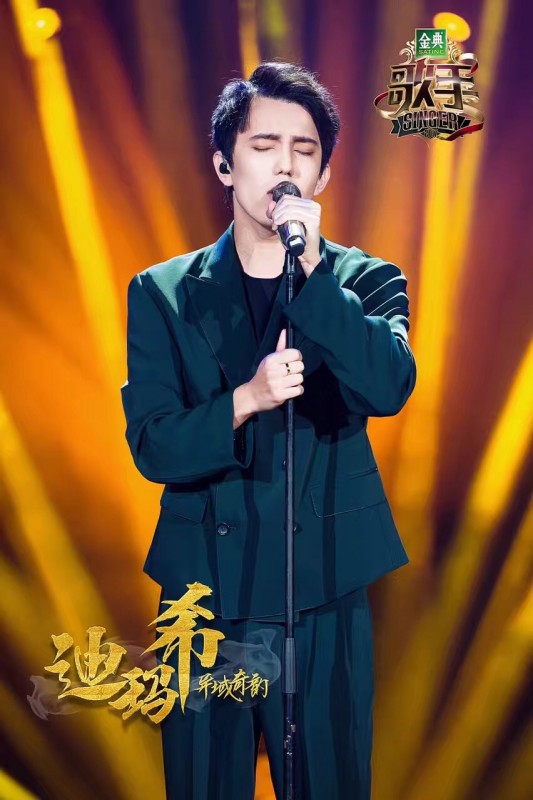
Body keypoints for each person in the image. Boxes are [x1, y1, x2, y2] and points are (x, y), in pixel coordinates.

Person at [121, 61, 417, 800]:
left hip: (322, 591)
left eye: (304, 149)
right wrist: (245, 399)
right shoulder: (162, 292)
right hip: (204, 597)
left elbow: (387, 387)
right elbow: (153, 443)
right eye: (263, 146)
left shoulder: (365, 281)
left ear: (323, 174)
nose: (285, 165)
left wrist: (314, 275)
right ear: (225, 164)